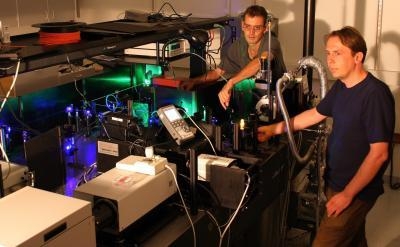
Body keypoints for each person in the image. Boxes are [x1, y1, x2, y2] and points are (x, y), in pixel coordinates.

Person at [257, 26, 395, 246]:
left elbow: (379, 154)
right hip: (337, 182)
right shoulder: (341, 87)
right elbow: (315, 114)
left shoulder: (375, 95)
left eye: (337, 53)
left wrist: (348, 195)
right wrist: (275, 129)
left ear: (358, 57)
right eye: (328, 53)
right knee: (354, 239)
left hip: (356, 191)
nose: (330, 60)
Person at [179, 5, 286, 117]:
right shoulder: (239, 45)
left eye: (257, 28)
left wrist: (231, 82)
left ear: (265, 28)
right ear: (242, 26)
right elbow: (218, 72)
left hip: (276, 101)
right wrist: (194, 81)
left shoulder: (271, 42)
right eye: (248, 26)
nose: (251, 32)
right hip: (250, 98)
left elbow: (261, 61)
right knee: (210, 94)